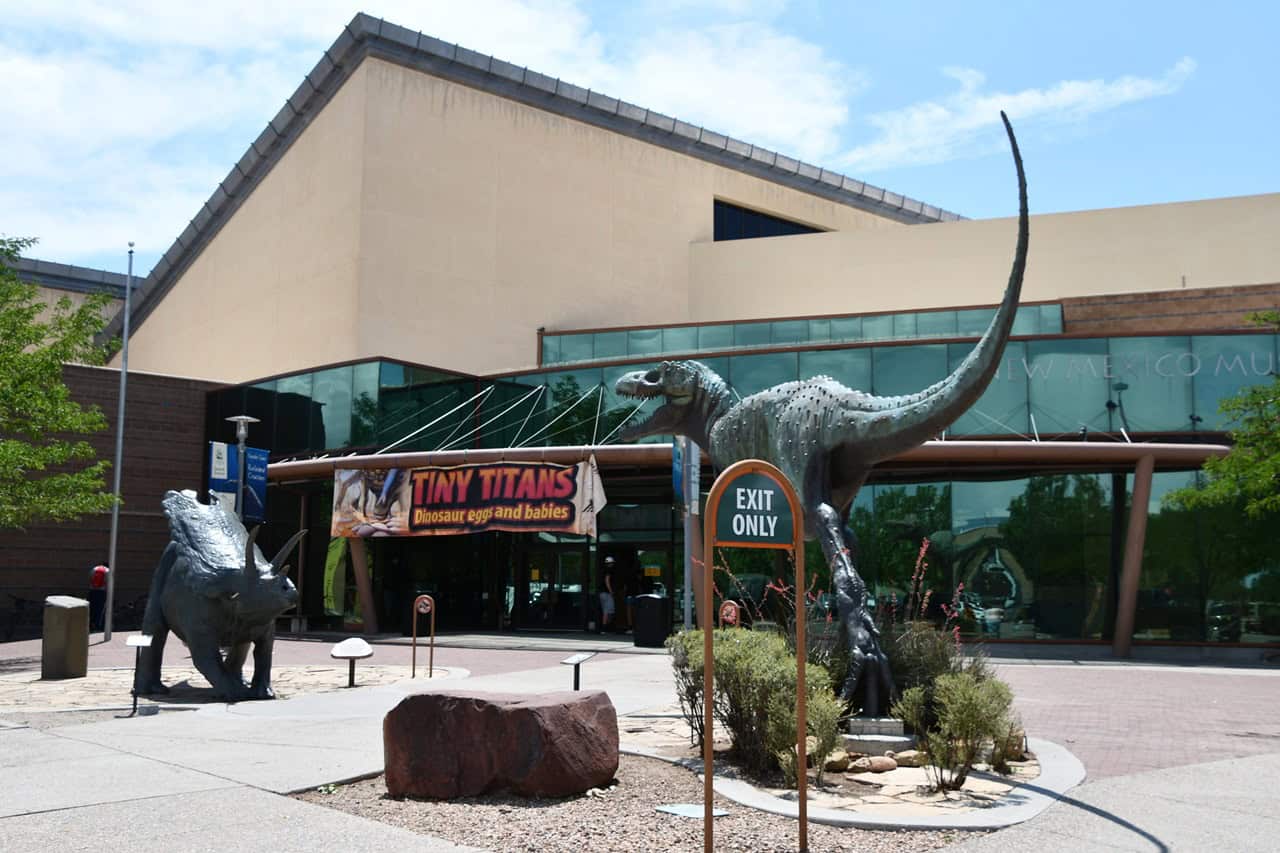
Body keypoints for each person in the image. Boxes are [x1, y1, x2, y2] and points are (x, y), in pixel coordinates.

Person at [88, 564, 109, 630]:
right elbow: (108, 582)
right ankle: (98, 626)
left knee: (91, 608)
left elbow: (90, 579)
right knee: (100, 609)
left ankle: (90, 624)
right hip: (102, 592)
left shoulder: (94, 569)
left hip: (92, 591)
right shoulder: (108, 570)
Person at [599, 556, 616, 632]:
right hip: (606, 593)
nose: (612, 564)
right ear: (610, 563)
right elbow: (607, 581)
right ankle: (605, 627)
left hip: (601, 593)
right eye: (612, 563)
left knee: (605, 610)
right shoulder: (609, 570)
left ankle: (605, 627)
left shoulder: (602, 571)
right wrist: (611, 591)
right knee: (609, 611)